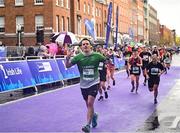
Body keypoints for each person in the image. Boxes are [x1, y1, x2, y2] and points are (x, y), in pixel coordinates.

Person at [65, 38, 106, 133]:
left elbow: (106, 61)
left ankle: (88, 125)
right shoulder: (78, 57)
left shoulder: (97, 56)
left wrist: (106, 59)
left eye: (87, 44)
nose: (85, 45)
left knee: (90, 103)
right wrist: (67, 58)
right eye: (83, 44)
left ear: (91, 46)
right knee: (88, 105)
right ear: (81, 47)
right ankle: (94, 115)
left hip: (94, 82)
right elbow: (67, 66)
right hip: (83, 84)